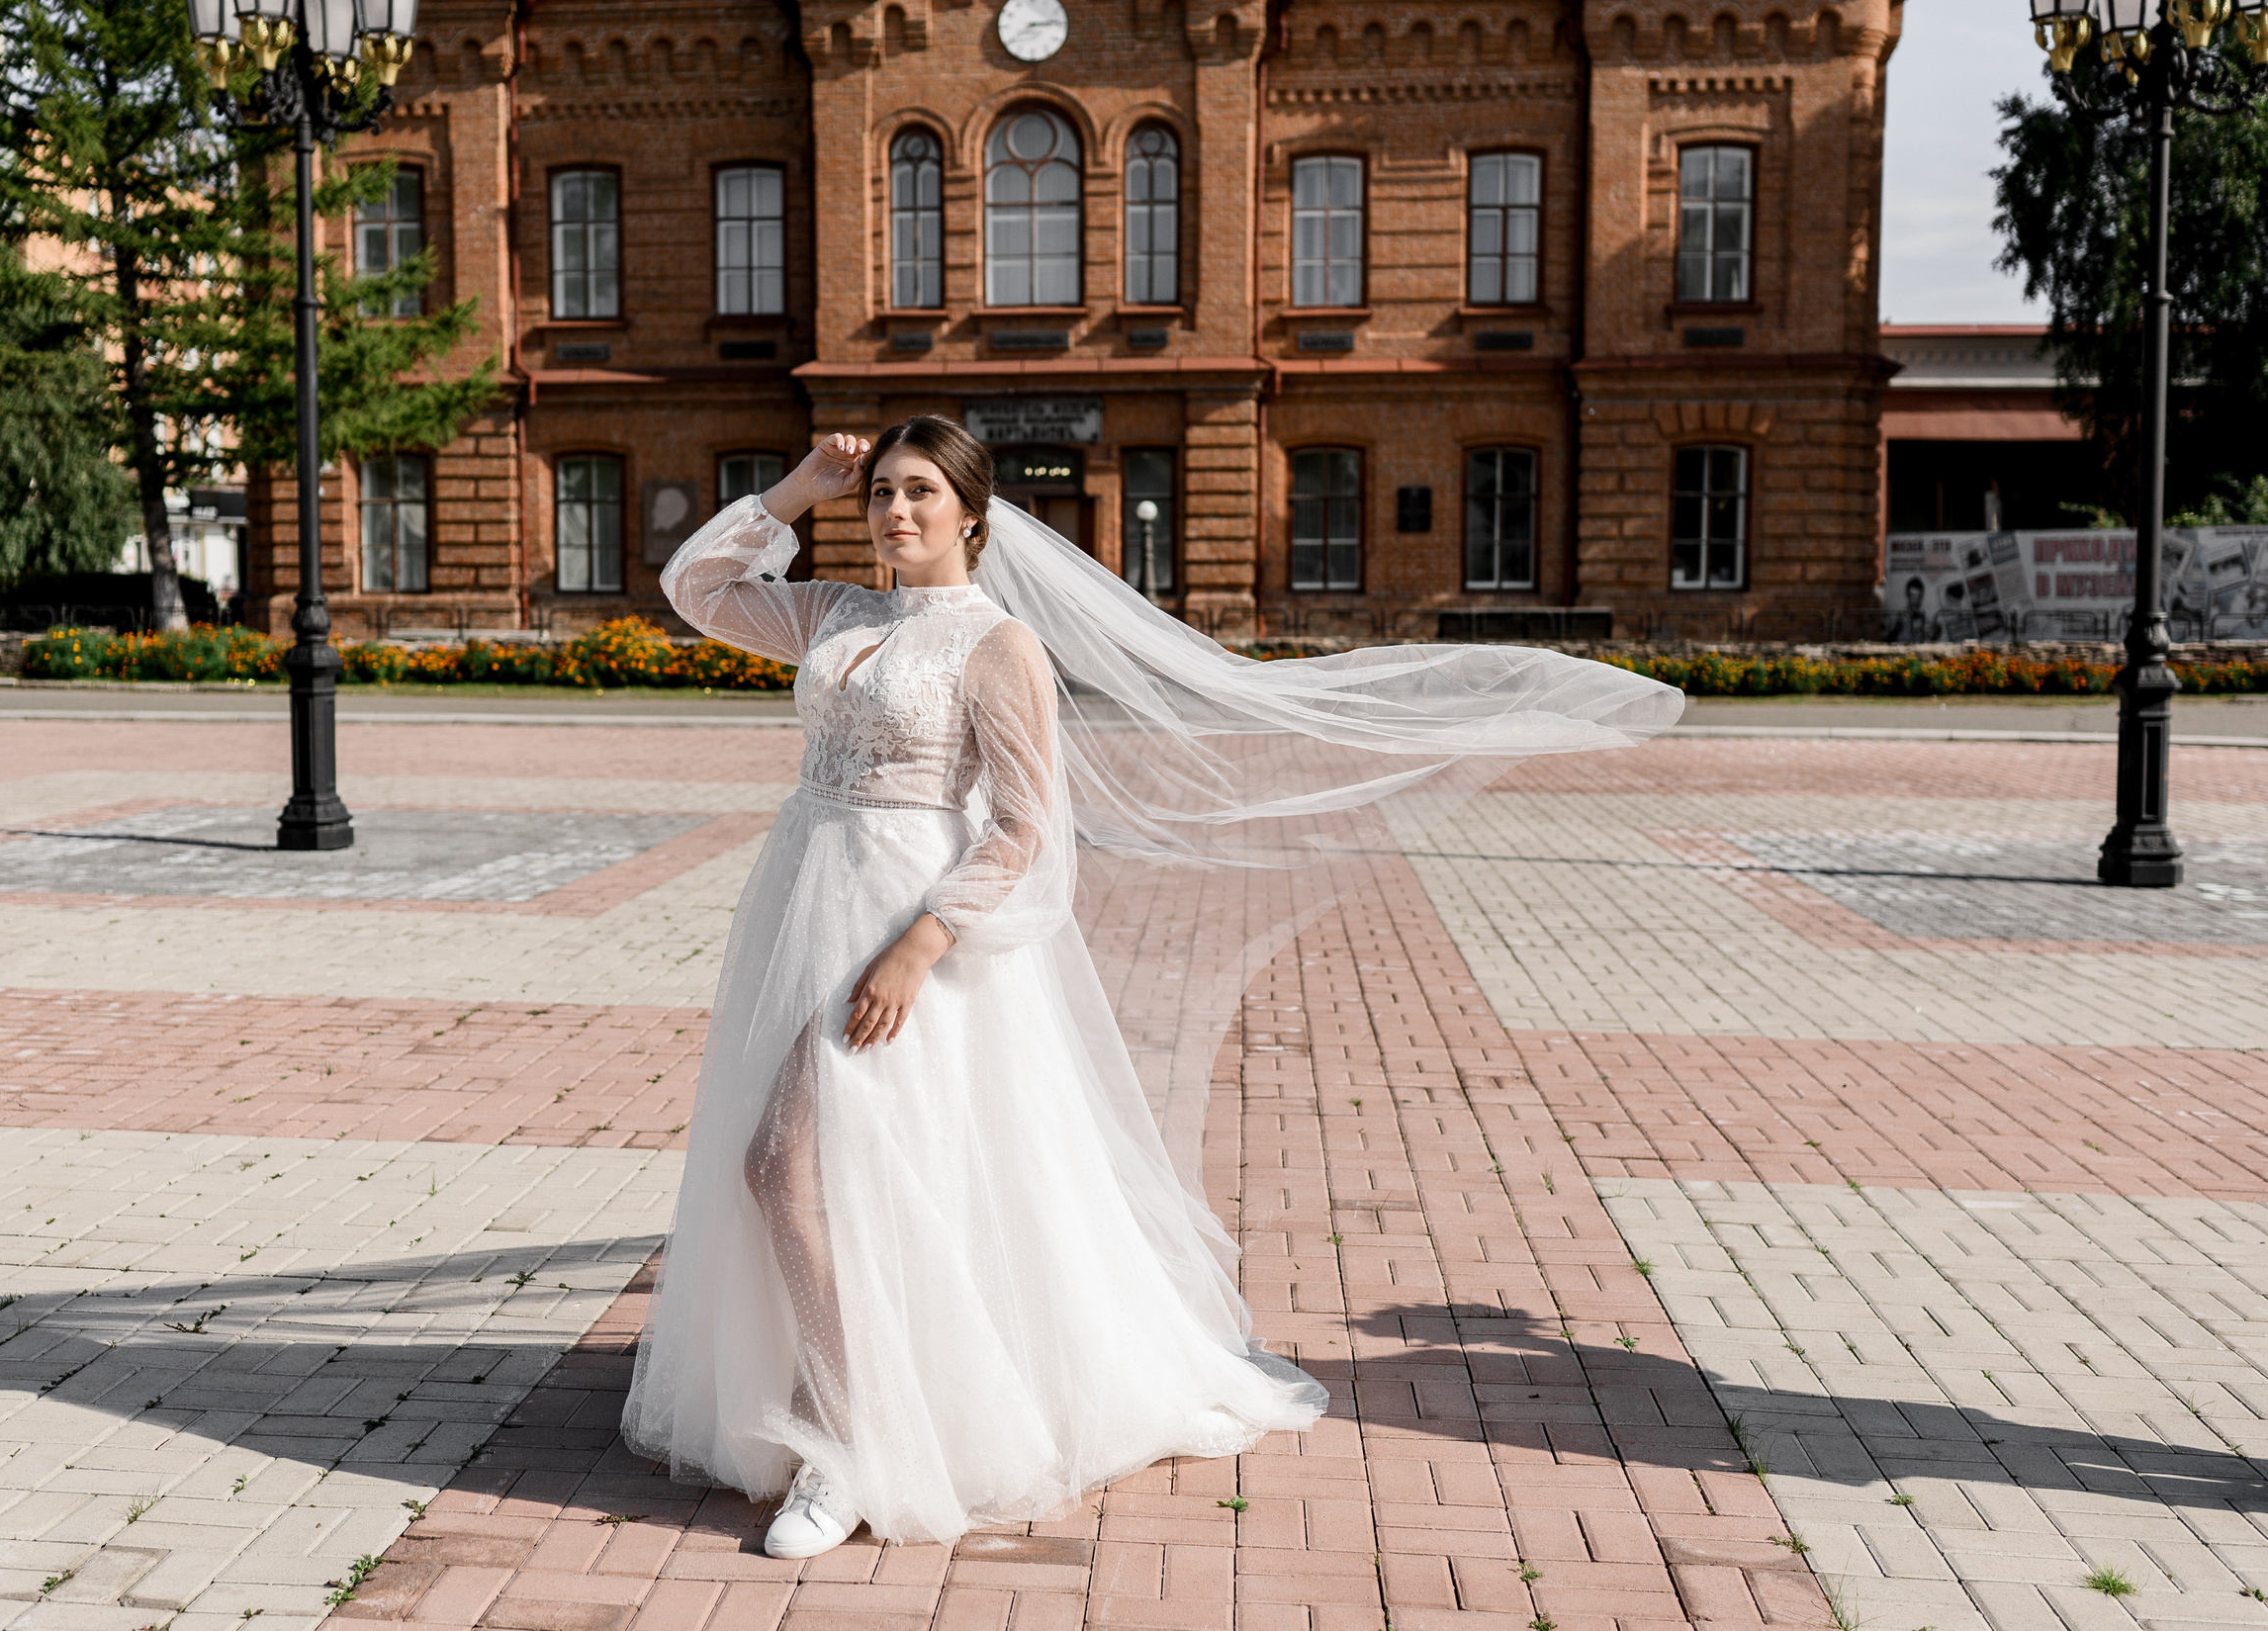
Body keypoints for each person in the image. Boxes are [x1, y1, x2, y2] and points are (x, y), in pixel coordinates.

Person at [623, 416, 1678, 1556]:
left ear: (973, 515)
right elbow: (697, 584)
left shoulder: (996, 648)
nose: (894, 512)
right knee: (848, 1175)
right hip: (801, 902)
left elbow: (1028, 829)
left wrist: (919, 946)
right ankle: (861, 1398)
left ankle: (848, 1448)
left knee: (782, 1167)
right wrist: (797, 487)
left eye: (920, 492)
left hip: (901, 922)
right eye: (880, 491)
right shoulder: (836, 612)